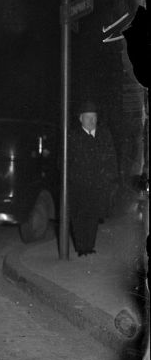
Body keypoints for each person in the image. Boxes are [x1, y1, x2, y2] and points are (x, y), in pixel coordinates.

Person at [68, 100, 118, 256]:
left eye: (94, 117)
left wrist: (111, 179)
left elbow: (112, 158)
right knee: (79, 217)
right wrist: (73, 179)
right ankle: (81, 247)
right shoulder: (73, 136)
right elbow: (64, 162)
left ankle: (89, 246)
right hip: (79, 186)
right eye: (88, 117)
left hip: (98, 185)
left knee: (93, 217)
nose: (92, 120)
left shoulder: (104, 135)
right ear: (80, 119)